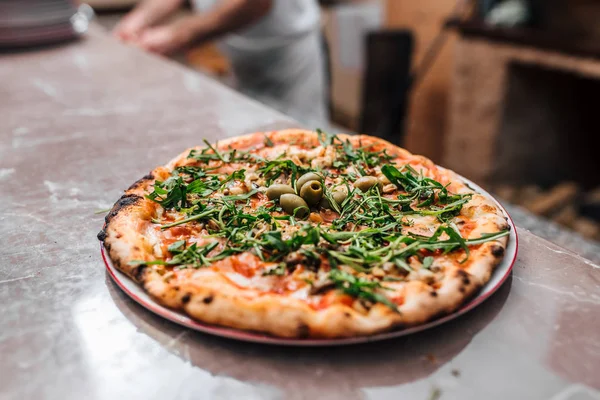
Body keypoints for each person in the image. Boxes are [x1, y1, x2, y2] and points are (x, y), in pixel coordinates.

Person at [114, 0, 329, 128]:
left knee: (300, 139)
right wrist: (136, 21)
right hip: (239, 52)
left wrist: (177, 35)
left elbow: (256, 3)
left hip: (286, 55)